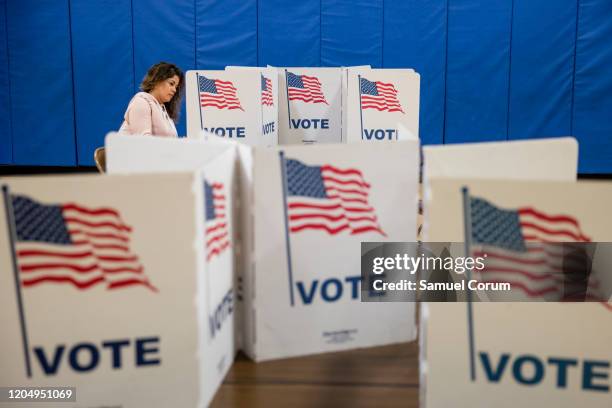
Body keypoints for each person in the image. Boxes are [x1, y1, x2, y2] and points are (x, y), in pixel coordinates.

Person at [119, 62, 184, 137]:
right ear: (157, 80)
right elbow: (144, 142)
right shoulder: (141, 102)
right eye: (171, 84)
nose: (174, 90)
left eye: (176, 87)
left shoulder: (163, 109)